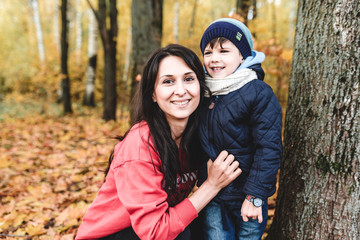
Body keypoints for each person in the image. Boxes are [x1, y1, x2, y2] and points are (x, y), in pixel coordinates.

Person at [75, 44, 242, 240]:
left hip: (148, 230)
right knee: (182, 233)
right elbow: (156, 233)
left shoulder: (197, 135)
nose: (180, 91)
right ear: (153, 94)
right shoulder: (140, 144)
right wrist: (211, 185)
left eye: (189, 79)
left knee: (202, 224)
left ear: (200, 86)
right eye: (168, 82)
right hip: (109, 236)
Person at [197, 18, 283, 240]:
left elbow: (269, 147)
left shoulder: (257, 92)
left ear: (243, 56)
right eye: (208, 53)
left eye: (224, 51)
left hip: (248, 195)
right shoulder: (202, 93)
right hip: (213, 194)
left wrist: (255, 196)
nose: (214, 58)